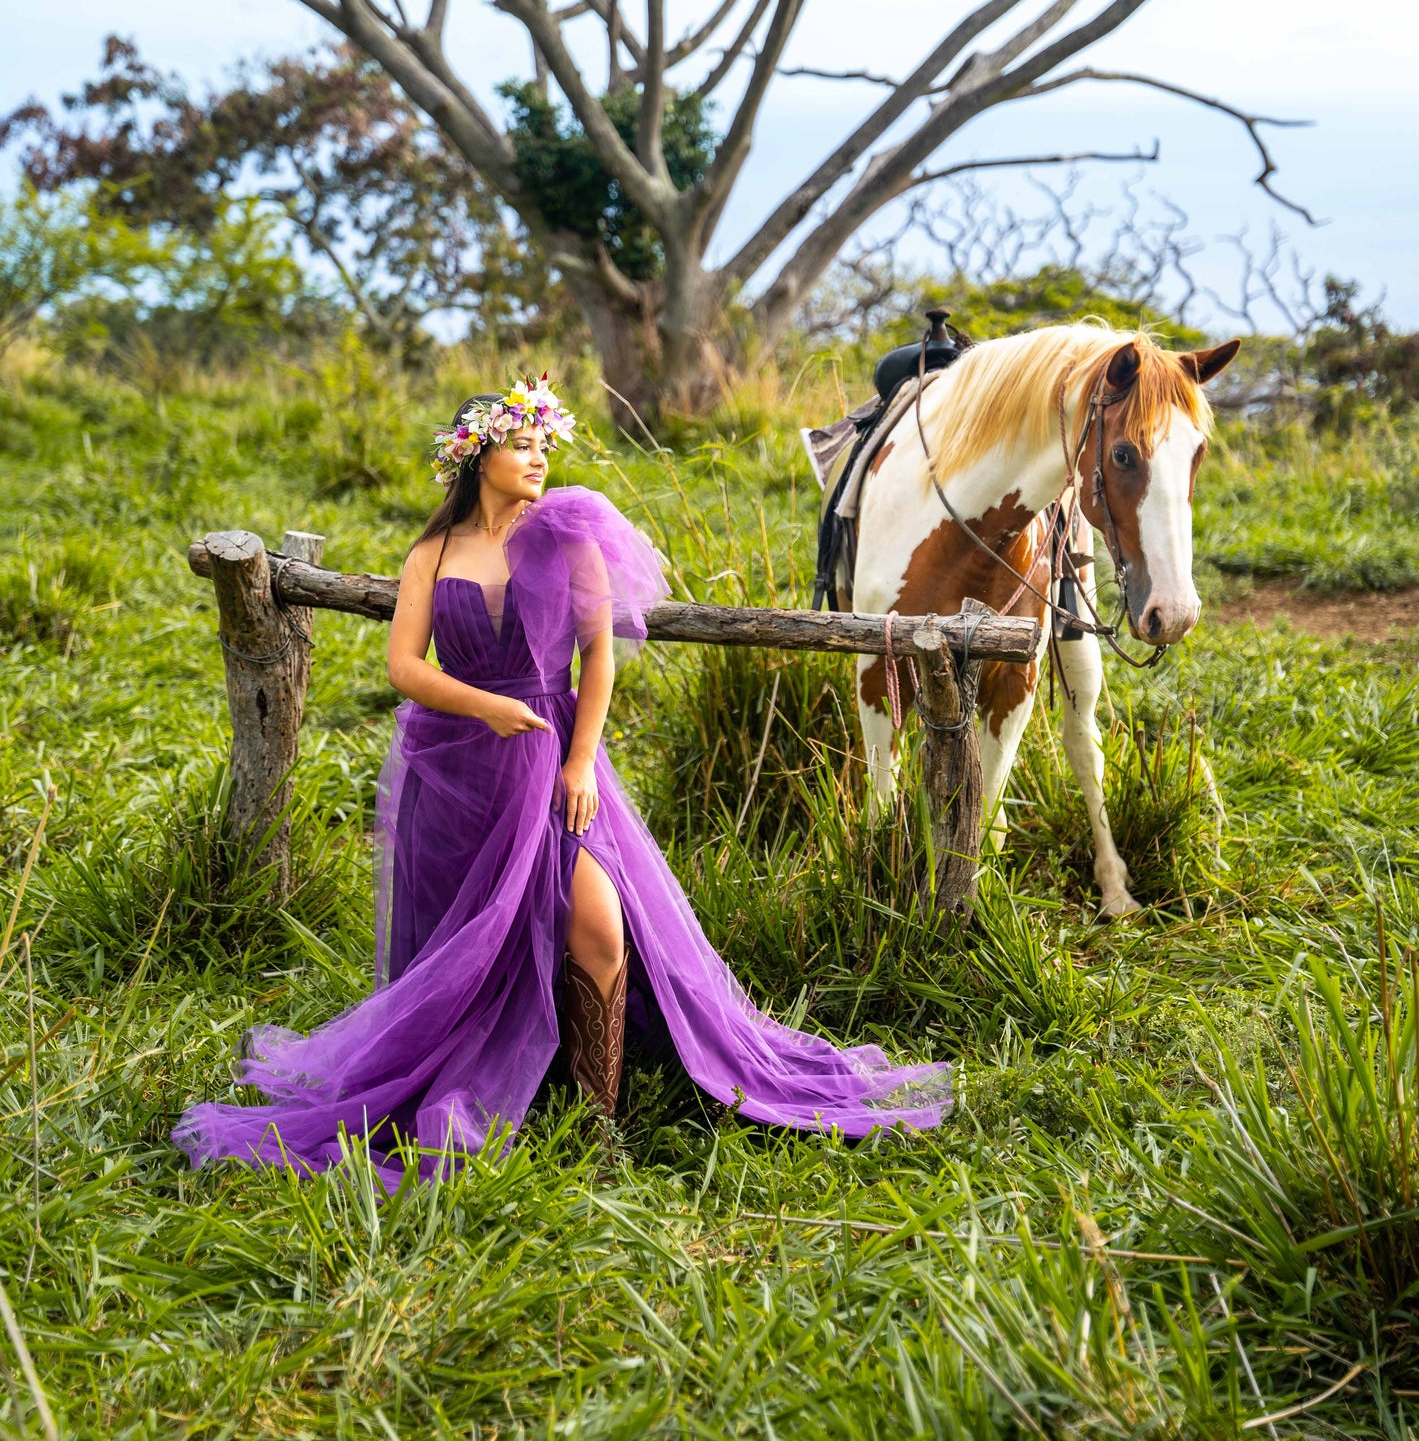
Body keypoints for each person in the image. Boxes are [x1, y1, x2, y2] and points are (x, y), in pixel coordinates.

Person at [173, 377, 952, 1186]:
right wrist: (487, 708)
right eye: (523, 445)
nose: (539, 457)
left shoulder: (568, 532)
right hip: (457, 762)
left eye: (545, 444)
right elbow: (404, 666)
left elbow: (599, 654)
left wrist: (579, 760)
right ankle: (483, 1072)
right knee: (469, 937)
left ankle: (597, 1121)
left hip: (554, 757)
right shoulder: (431, 553)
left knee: (599, 924)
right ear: (476, 458)